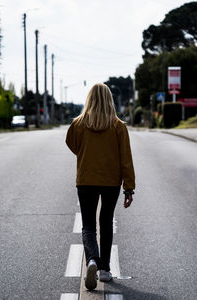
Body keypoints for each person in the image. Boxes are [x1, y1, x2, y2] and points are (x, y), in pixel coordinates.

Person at [65, 83, 135, 290]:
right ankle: (104, 270)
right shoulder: (118, 126)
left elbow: (72, 144)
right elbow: (126, 159)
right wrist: (128, 188)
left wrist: (87, 153)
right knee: (106, 222)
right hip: (111, 182)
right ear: (109, 100)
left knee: (88, 225)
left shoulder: (78, 124)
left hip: (86, 180)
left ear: (89, 100)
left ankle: (92, 260)